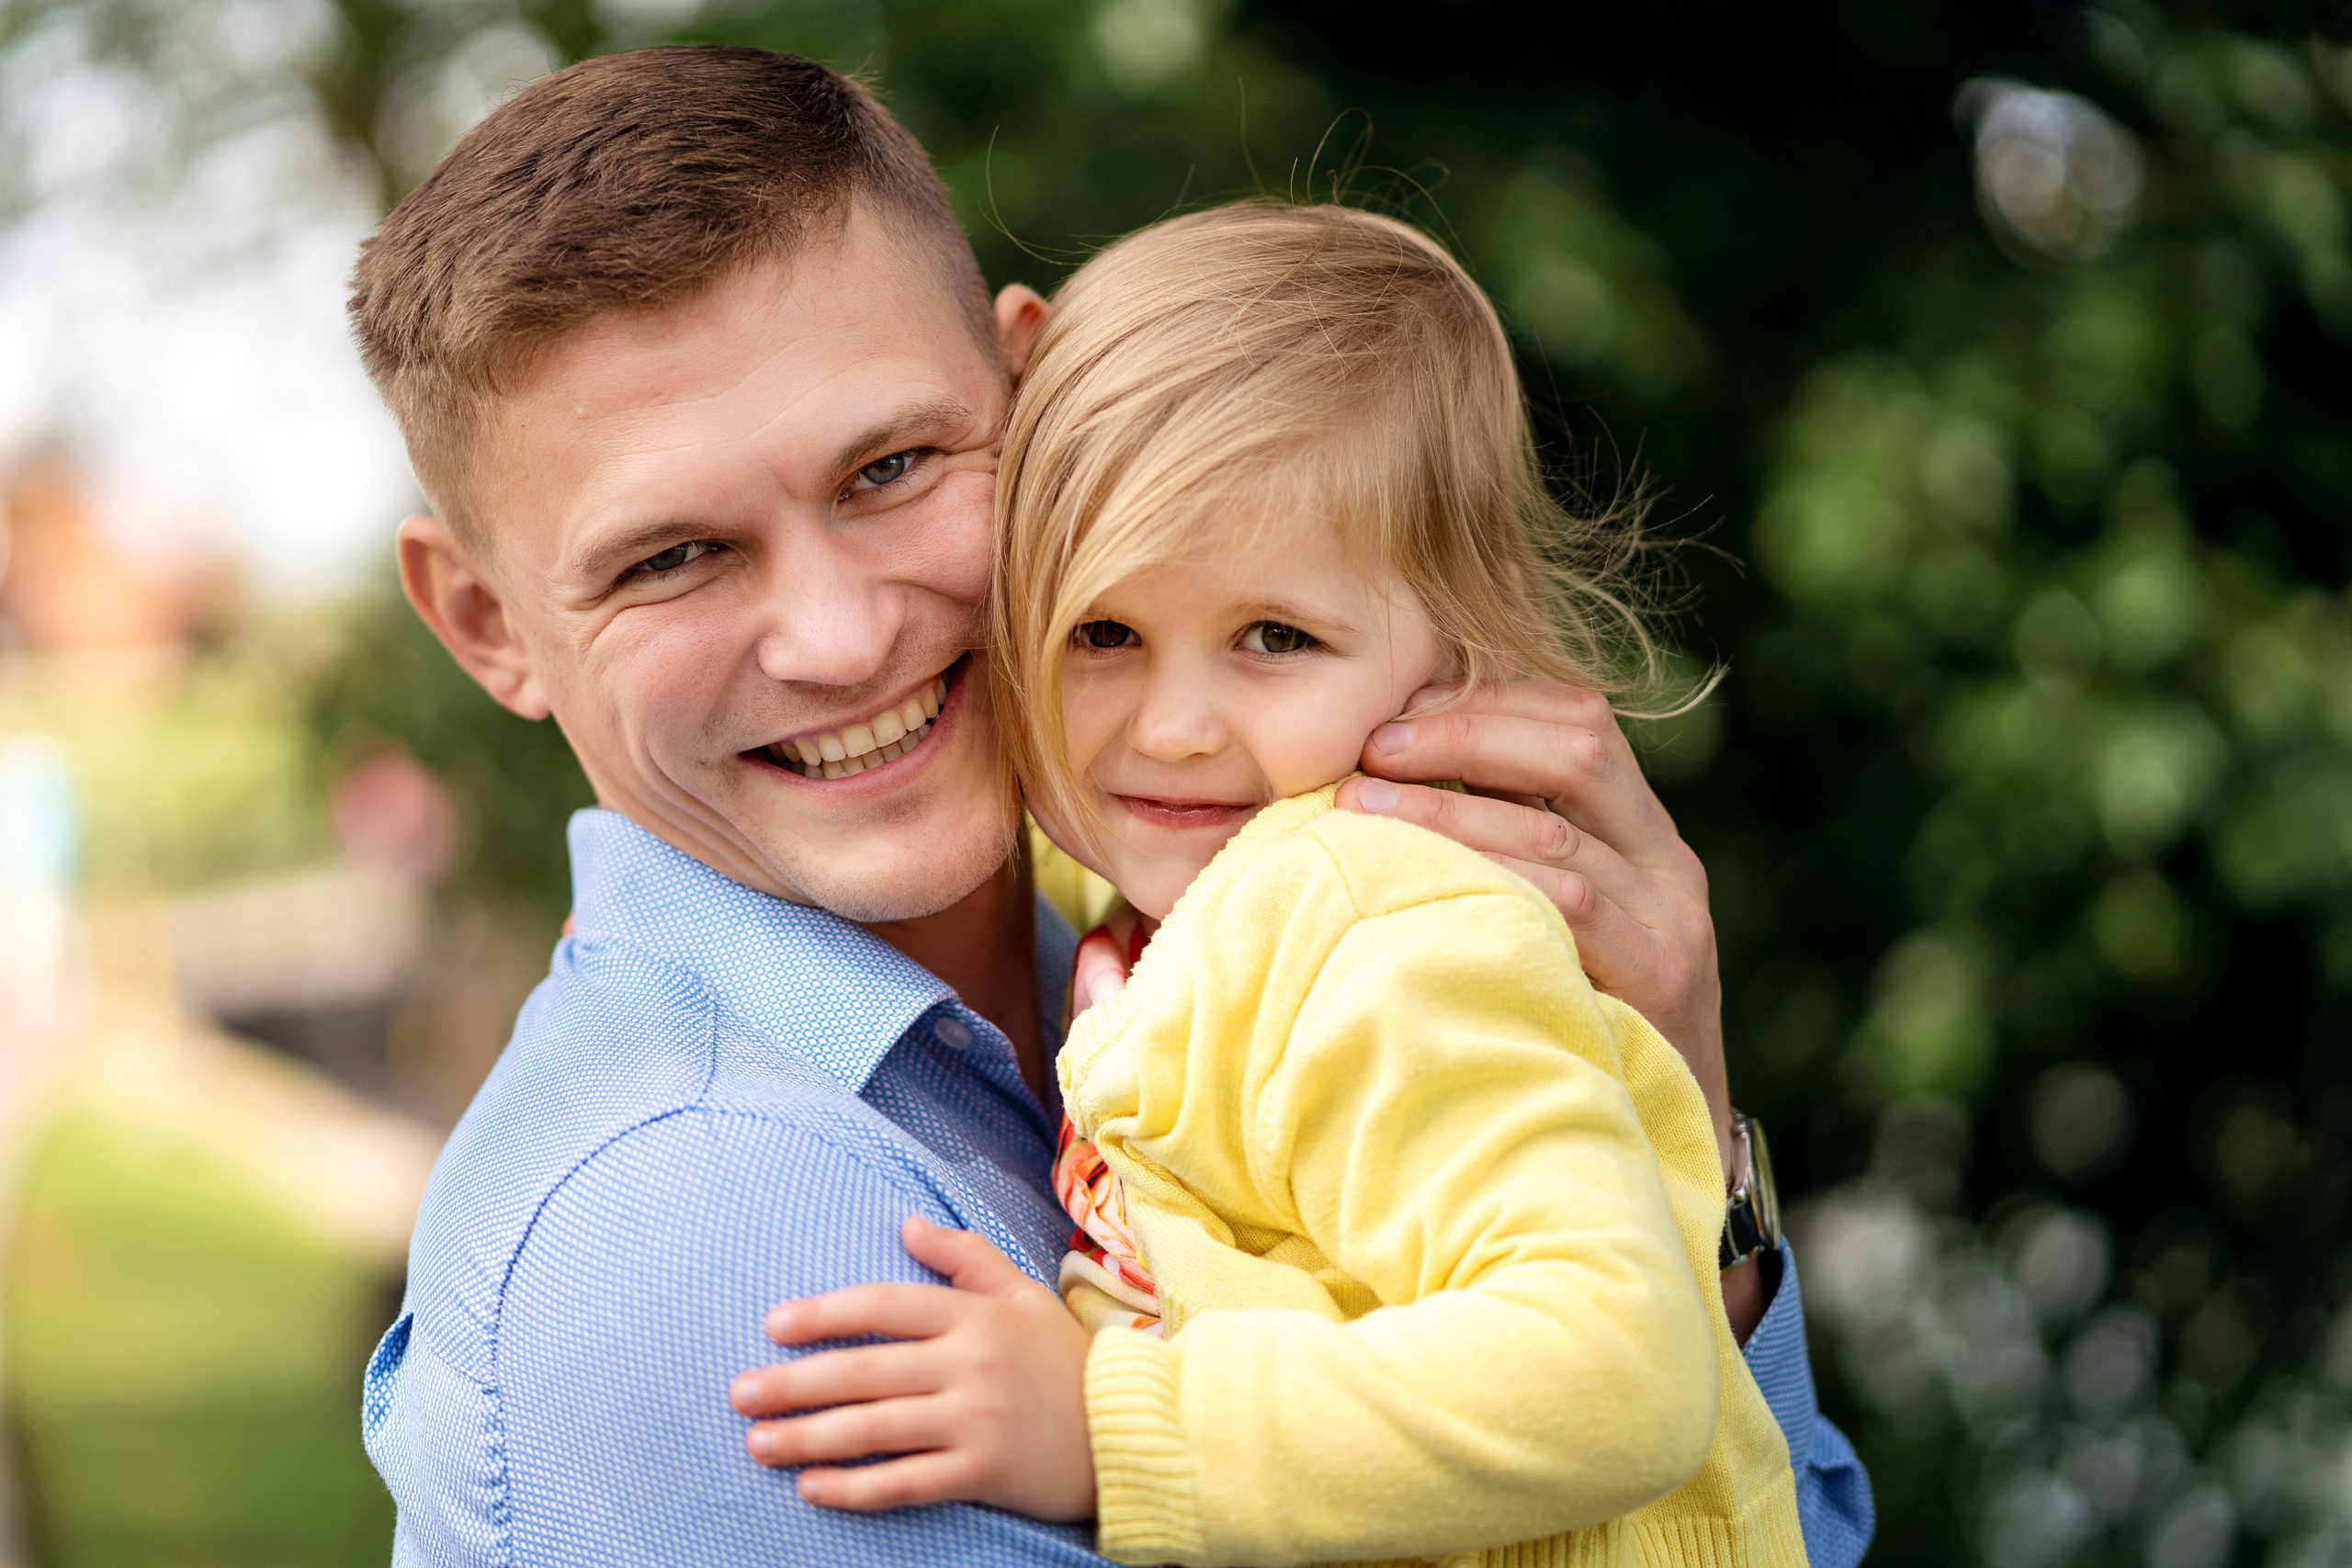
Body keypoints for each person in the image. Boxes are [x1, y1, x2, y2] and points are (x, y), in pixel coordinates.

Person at [350, 45, 1871, 1566]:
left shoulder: (1171, 950)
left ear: (1039, 403)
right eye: (670, 557)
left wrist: (1667, 1113)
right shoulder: (699, 1233)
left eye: (890, 466)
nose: (842, 637)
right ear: (485, 622)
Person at [725, 201, 1807, 1567]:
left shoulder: (1372, 931)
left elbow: (1620, 1370)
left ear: (1451, 662)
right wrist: (701, 903)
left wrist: (1111, 1430)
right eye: (1104, 631)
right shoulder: (1197, 878)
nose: (1172, 726)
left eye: (1276, 637)